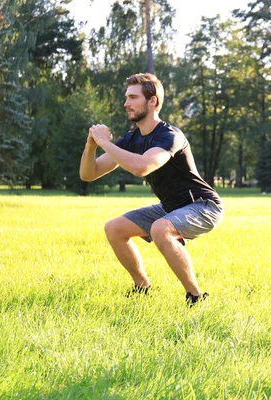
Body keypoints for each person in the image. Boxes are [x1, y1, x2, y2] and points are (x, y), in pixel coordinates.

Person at [79, 73, 223, 305]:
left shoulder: (170, 136)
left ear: (152, 101)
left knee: (160, 229)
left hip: (203, 205)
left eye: (133, 97)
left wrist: (105, 143)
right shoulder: (132, 139)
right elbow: (89, 174)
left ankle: (196, 297)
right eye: (126, 97)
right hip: (169, 207)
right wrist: (91, 145)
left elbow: (142, 167)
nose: (126, 103)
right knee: (114, 228)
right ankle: (142, 287)